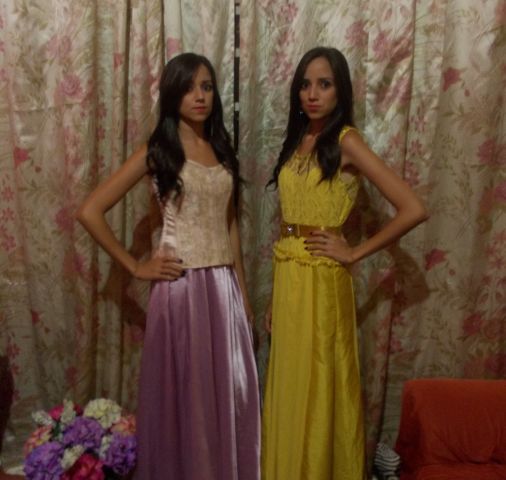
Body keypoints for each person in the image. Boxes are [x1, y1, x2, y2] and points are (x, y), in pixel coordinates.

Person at [77, 53, 260, 480]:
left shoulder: (220, 149)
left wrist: (243, 296)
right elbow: (90, 210)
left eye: (207, 87)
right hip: (182, 290)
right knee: (187, 402)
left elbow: (230, 225)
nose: (200, 96)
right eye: (189, 87)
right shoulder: (159, 150)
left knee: (225, 397)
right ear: (173, 93)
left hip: (224, 292)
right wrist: (135, 266)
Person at [261, 47, 428, 480]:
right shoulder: (299, 139)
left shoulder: (347, 140)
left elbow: (413, 208)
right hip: (289, 276)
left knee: (320, 384)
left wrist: (353, 252)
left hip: (323, 280)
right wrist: (274, 299)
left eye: (324, 84)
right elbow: (287, 224)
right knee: (291, 384)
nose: (312, 94)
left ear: (341, 91)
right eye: (305, 84)